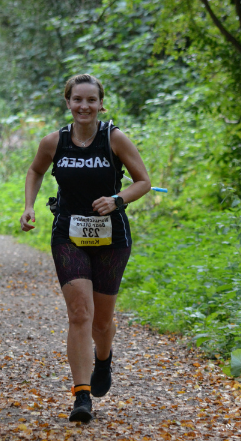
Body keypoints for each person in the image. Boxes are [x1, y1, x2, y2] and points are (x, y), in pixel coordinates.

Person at [20, 74, 152, 422]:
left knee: (102, 321)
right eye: (77, 99)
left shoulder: (114, 138)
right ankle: (82, 396)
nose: (84, 106)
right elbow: (34, 171)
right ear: (68, 102)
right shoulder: (54, 142)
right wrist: (29, 206)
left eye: (91, 100)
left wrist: (117, 199)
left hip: (111, 238)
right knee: (80, 313)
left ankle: (104, 358)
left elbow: (144, 181)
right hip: (68, 235)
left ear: (100, 103)